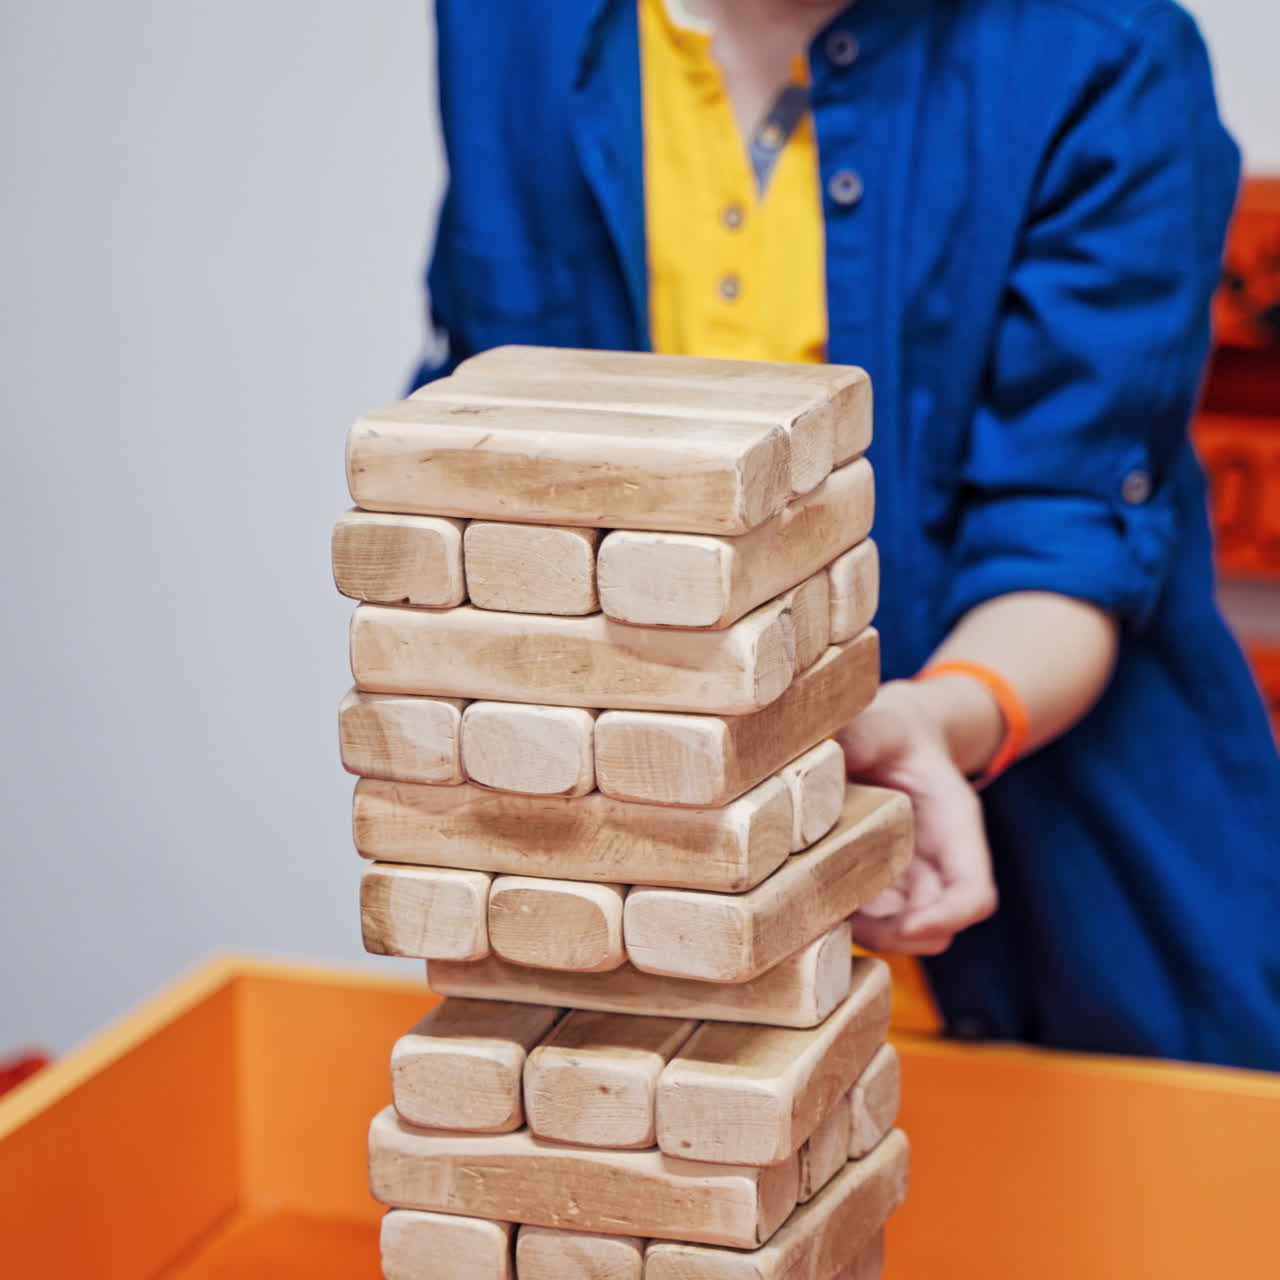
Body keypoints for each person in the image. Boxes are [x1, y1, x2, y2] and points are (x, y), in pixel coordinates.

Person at [410, 0, 1280, 1070]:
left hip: (1046, 870)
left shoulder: (1102, 50)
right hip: (641, 890)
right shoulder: (507, 28)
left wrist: (937, 720)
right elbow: (484, 426)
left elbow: (1067, 523)